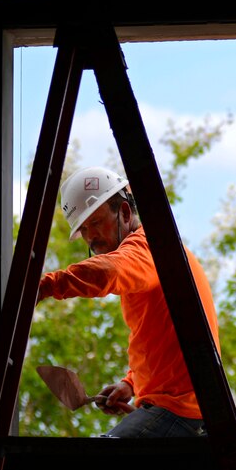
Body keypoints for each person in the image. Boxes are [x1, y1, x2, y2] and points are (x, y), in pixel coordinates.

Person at [38, 165, 220, 438]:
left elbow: (107, 271)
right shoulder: (152, 255)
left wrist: (41, 287)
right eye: (84, 229)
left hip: (178, 410)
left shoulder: (149, 249)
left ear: (124, 212)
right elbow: (160, 341)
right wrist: (130, 384)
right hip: (178, 407)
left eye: (96, 223)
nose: (91, 237)